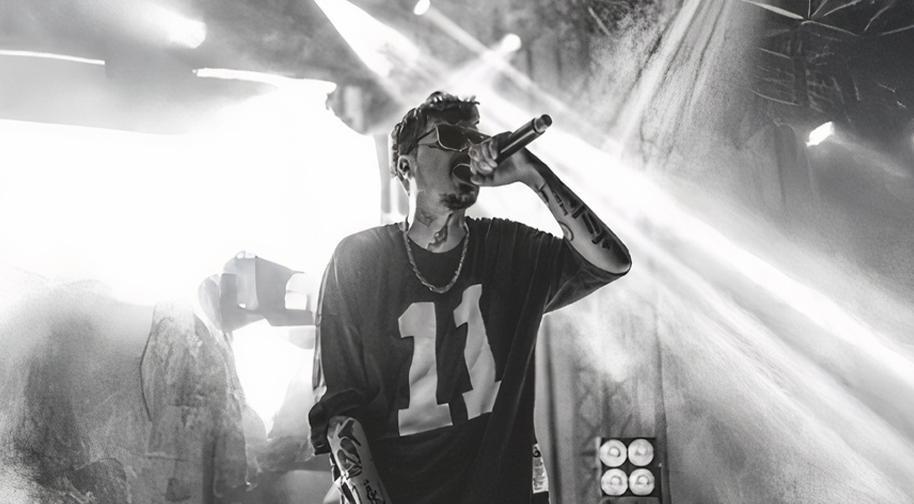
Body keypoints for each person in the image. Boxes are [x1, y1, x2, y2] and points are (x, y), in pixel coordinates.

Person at [308, 91, 631, 504]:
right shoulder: (360, 259)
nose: (467, 149)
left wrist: (532, 172)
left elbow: (611, 262)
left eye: (473, 138)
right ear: (406, 165)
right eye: (449, 138)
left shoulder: (508, 248)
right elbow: (340, 415)